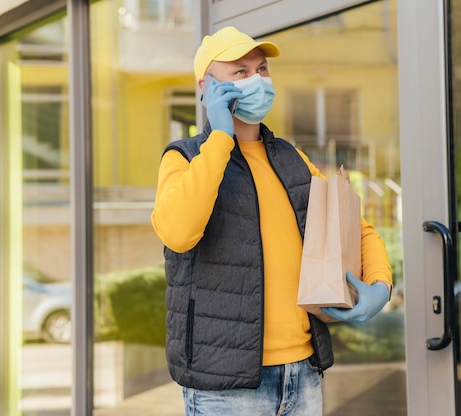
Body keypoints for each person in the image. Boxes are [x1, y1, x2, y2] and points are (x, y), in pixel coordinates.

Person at [151, 26, 393, 416]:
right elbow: (178, 232)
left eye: (262, 70)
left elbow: (354, 224)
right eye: (240, 72)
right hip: (226, 388)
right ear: (206, 85)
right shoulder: (185, 157)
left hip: (303, 374)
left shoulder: (292, 159)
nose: (257, 81)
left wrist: (380, 285)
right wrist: (220, 140)